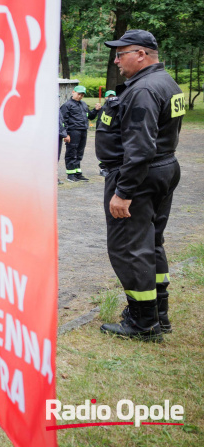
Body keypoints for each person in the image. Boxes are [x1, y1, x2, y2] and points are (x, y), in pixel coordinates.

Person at [95, 30, 184, 341]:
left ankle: (142, 323)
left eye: (122, 53)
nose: (116, 60)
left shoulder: (144, 89)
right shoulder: (167, 82)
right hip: (163, 168)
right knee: (151, 242)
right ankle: (159, 315)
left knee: (129, 248)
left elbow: (140, 148)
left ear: (142, 55)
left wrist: (124, 191)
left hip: (139, 176)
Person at [59, 85, 101, 182]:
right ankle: (70, 174)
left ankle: (78, 173)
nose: (80, 96)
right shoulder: (67, 105)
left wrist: (95, 110)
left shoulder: (83, 104)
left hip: (83, 131)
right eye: (79, 94)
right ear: (73, 92)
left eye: (82, 95)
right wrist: (65, 134)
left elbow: (90, 116)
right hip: (73, 131)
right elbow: (63, 121)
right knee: (71, 152)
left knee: (79, 152)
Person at [95, 90, 118, 177]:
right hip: (104, 133)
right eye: (109, 96)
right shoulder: (104, 108)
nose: (111, 98)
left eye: (113, 96)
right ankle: (102, 168)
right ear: (106, 97)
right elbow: (101, 122)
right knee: (104, 151)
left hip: (112, 133)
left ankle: (108, 168)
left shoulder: (115, 108)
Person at [57, 112, 70, 185]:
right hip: (52, 136)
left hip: (58, 135)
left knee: (56, 158)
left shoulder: (56, 107)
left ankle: (53, 177)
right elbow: (57, 123)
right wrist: (64, 134)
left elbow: (62, 122)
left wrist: (65, 133)